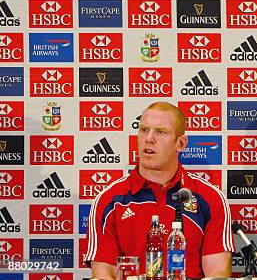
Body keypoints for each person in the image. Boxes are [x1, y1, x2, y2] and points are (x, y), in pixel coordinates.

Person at [85, 102, 234, 279]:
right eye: (143, 130)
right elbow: (103, 274)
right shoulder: (109, 200)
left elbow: (217, 274)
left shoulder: (210, 198)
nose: (149, 138)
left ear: (181, 143)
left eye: (161, 132)